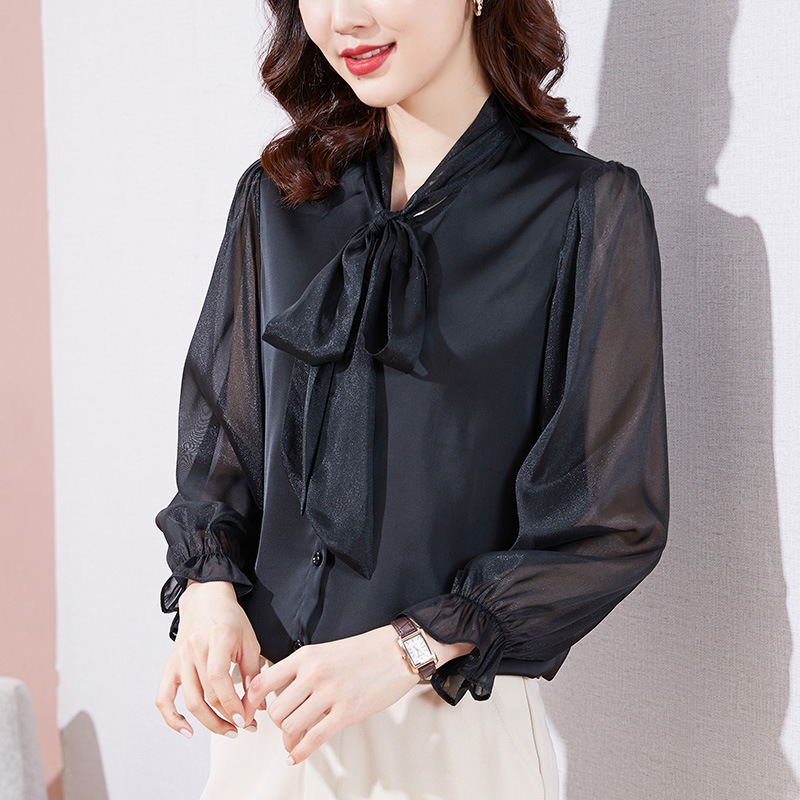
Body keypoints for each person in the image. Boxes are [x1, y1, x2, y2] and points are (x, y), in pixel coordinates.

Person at [154, 0, 670, 797]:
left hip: (448, 729)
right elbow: (223, 440)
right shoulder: (275, 199)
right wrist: (206, 591)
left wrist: (408, 646)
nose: (344, 18)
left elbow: (610, 522)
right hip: (267, 722)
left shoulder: (584, 211)